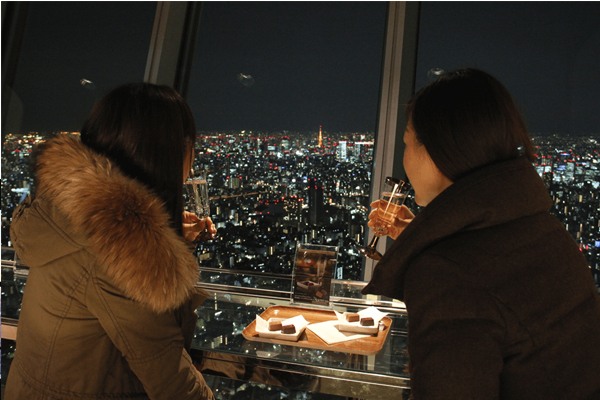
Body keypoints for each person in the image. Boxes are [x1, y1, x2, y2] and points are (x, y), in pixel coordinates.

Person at [363, 68, 600, 399]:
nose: (404, 160)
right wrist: (418, 235)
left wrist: (433, 255)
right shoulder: (543, 229)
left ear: (436, 151)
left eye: (406, 141)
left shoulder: (446, 274)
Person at [5, 83, 217, 399]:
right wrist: (153, 242)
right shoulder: (122, 249)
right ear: (164, 153)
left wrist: (165, 236)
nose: (193, 157)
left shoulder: (68, 212)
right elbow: (173, 381)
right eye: (190, 145)